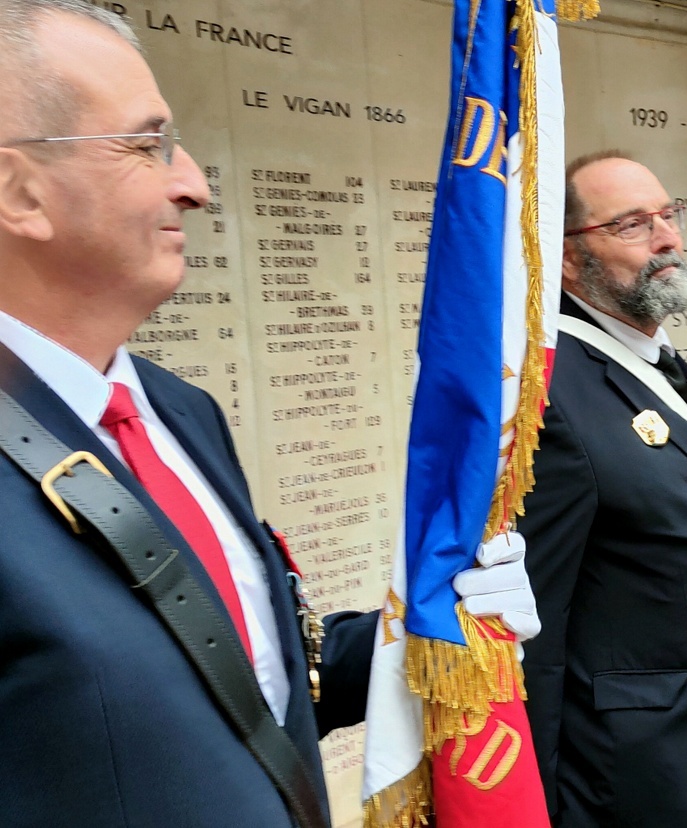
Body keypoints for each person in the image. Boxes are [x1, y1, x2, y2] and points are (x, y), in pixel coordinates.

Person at [0, 2, 538, 826]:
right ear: (19, 193)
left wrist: (434, 626)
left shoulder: (178, 411)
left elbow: (254, 689)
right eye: (146, 146)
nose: (194, 185)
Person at [516, 150, 687, 827]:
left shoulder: (653, 357)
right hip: (621, 777)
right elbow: (533, 621)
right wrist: (534, 802)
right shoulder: (554, 392)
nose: (666, 239)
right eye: (630, 225)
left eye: (667, 216)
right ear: (568, 259)